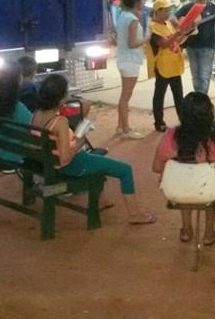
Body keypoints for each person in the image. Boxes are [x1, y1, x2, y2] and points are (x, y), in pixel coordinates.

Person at [30, 74, 155, 224]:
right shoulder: (60, 122)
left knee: (99, 159)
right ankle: (134, 214)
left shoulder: (37, 114)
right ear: (61, 98)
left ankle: (103, 201)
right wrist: (80, 141)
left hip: (49, 162)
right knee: (125, 170)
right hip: (72, 165)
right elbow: (65, 157)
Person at [151, 92, 215, 244]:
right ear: (209, 115)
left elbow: (156, 167)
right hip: (208, 193)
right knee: (214, 187)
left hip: (176, 192)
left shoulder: (169, 137)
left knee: (183, 180)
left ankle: (187, 230)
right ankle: (209, 233)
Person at [146, 0, 187, 132]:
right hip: (162, 66)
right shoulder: (152, 27)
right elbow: (163, 44)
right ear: (157, 11)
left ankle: (183, 120)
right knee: (160, 95)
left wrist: (184, 33)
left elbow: (176, 41)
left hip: (174, 65)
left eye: (169, 10)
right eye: (165, 11)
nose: (168, 13)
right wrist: (176, 35)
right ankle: (159, 122)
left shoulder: (168, 24)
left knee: (179, 95)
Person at [175, 0, 215, 94]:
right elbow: (174, 16)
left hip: (207, 45)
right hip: (191, 44)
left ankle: (202, 97)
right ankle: (197, 96)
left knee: (204, 74)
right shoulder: (189, 6)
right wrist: (182, 28)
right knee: (195, 75)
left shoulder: (213, 8)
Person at [0, 65, 34, 164]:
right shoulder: (16, 107)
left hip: (1, 149)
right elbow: (35, 126)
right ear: (17, 81)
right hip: (18, 152)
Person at [115, 0, 147, 139]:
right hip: (130, 61)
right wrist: (146, 39)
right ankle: (126, 129)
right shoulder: (132, 19)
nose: (144, 2)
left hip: (123, 59)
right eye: (142, 0)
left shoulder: (123, 15)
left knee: (124, 95)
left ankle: (120, 126)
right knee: (126, 97)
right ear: (136, 2)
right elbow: (132, 43)